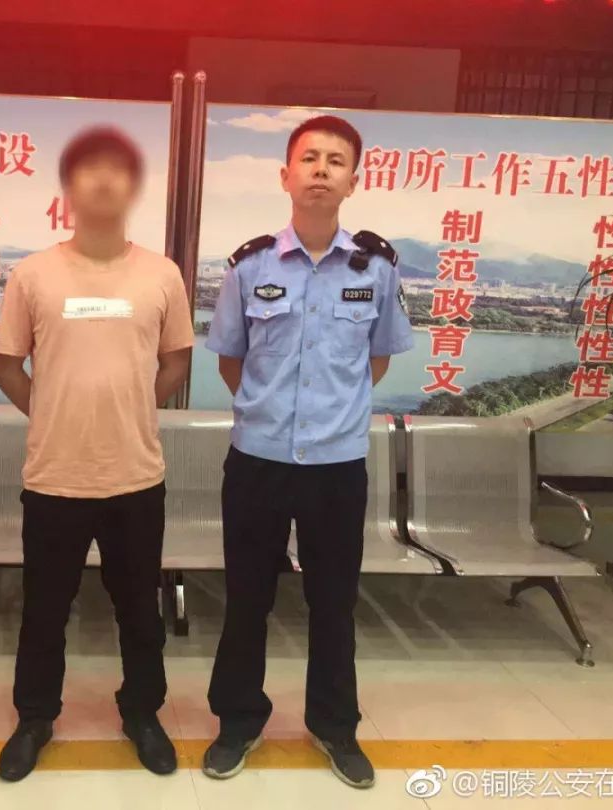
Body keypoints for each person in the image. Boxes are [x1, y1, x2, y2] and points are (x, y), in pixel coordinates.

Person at [202, 115, 414, 788]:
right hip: (258, 461)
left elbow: (377, 360)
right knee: (247, 599)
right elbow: (231, 361)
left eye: (336, 161)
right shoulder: (250, 265)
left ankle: (334, 725)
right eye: (310, 158)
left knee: (333, 602)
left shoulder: (376, 269)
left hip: (336, 467)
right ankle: (238, 721)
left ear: (355, 180)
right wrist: (271, 411)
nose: (321, 170)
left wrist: (328, 416)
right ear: (286, 176)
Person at [0, 127, 195, 782]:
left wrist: (130, 407)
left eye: (118, 170)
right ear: (68, 187)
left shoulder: (161, 274)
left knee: (139, 611)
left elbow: (176, 359)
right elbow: (4, 364)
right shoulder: (34, 273)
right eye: (89, 169)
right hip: (55, 477)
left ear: (134, 187)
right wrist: (53, 411)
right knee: (44, 610)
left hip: (135, 476)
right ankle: (34, 717)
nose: (104, 181)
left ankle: (143, 713)